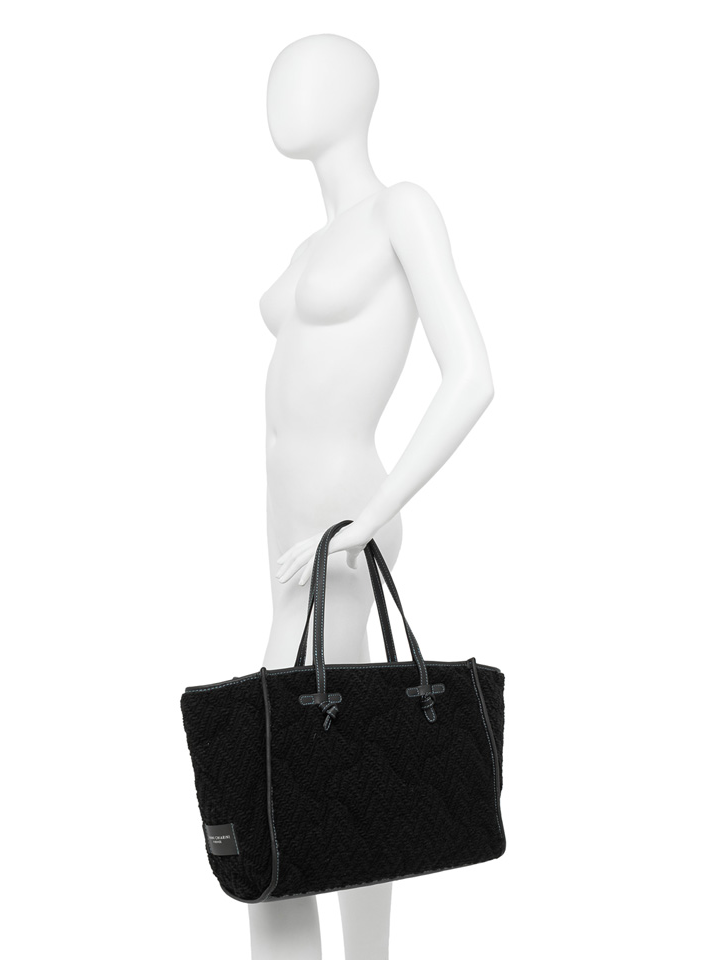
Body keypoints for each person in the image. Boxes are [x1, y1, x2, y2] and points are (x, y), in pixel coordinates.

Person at [253, 33, 495, 960]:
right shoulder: (309, 244)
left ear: (358, 94)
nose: (282, 91)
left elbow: (470, 376)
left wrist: (374, 513)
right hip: (290, 528)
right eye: (277, 75)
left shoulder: (402, 208)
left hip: (345, 522)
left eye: (307, 74)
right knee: (345, 761)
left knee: (273, 766)